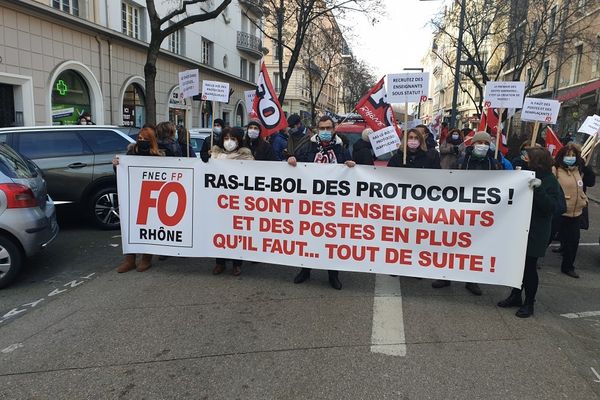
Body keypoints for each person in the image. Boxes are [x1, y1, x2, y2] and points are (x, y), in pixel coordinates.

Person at [288, 115, 356, 290]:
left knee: (331, 239)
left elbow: (349, 171)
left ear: (334, 129)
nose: (325, 132)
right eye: (322, 128)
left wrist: (350, 165)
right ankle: (305, 270)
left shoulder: (341, 148)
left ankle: (333, 275)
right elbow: (297, 163)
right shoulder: (308, 146)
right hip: (311, 203)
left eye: (328, 128)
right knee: (308, 237)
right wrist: (292, 160)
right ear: (317, 129)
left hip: (333, 204)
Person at [432, 131, 500, 295]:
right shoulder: (463, 161)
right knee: (452, 242)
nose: (482, 146)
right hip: (461, 209)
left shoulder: (494, 163)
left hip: (483, 211)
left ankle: (472, 280)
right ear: (473, 144)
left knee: (476, 245)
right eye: (479, 142)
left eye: (485, 143)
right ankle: (445, 275)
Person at [497, 147, 562, 317]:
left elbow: (553, 208)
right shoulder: (525, 175)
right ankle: (516, 295)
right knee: (517, 265)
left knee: (529, 267)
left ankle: (529, 302)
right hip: (519, 227)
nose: (524, 159)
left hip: (536, 230)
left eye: (528, 157)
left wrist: (539, 190)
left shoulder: (549, 181)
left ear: (537, 160)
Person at [113, 127, 164, 273]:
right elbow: (122, 174)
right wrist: (116, 165)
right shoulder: (130, 153)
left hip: (150, 197)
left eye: (145, 139)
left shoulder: (158, 156)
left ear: (152, 141)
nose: (141, 142)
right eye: (139, 139)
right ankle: (129, 260)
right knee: (130, 226)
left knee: (149, 227)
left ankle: (146, 258)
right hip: (133, 195)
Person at [211, 127, 254, 276]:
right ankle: (220, 263)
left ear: (239, 141)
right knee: (220, 231)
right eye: (226, 139)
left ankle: (237, 264)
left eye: (233, 139)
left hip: (238, 202)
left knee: (236, 233)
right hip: (219, 201)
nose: (229, 142)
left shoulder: (246, 157)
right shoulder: (214, 156)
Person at [551, 143, 595, 278]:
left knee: (573, 241)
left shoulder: (578, 170)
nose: (570, 158)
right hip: (560, 212)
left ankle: (568, 267)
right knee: (548, 237)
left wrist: (588, 172)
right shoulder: (555, 170)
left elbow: (589, 183)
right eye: (567, 155)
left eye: (573, 155)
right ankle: (533, 260)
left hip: (575, 212)